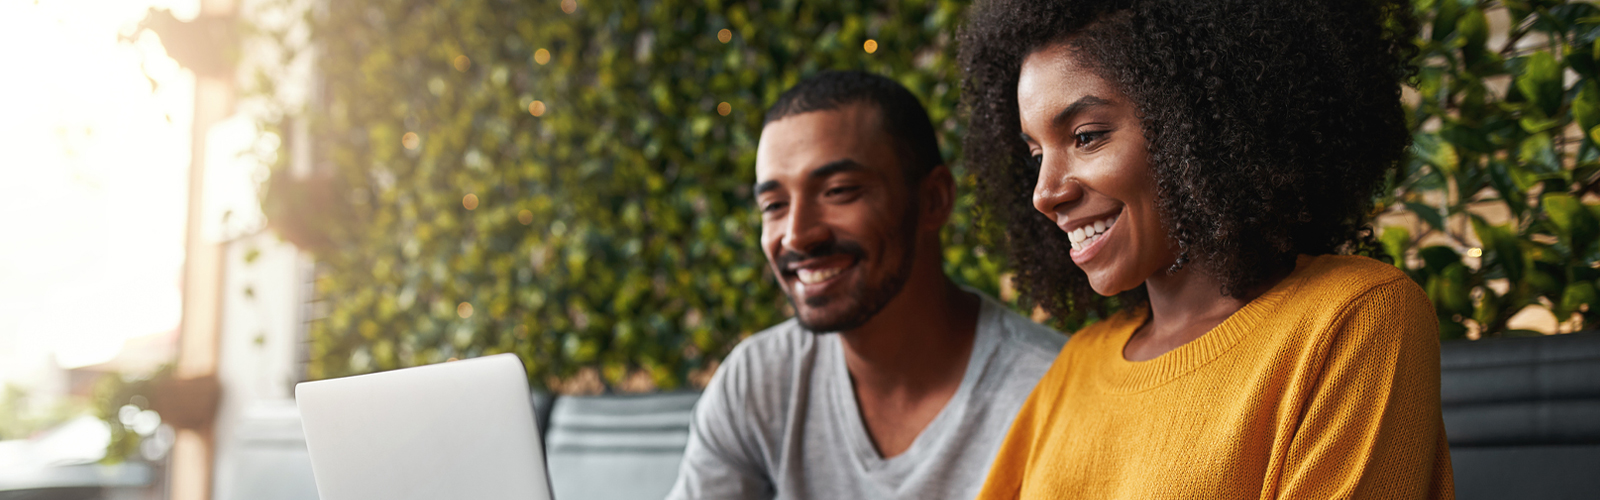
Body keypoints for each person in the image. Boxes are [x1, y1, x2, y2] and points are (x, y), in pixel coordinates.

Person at [958, 0, 1454, 498]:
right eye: (1037, 155)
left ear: (1198, 121)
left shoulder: (1353, 321)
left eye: (1086, 137)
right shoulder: (1078, 365)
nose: (1045, 194)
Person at [666, 70, 1066, 500]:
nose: (797, 235)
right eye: (774, 205)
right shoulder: (758, 382)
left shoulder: (1047, 393)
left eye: (839, 191)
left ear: (934, 199)